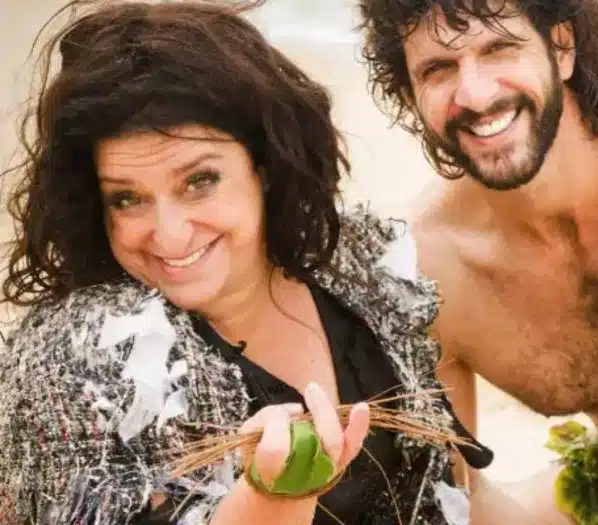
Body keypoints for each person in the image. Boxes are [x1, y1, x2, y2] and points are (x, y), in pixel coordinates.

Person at [0, 1, 497, 524]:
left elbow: (455, 496)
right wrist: (269, 501)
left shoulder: (365, 268)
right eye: (127, 199)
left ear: (265, 164)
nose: (169, 234)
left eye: (200, 181)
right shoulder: (69, 362)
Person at [358, 0, 598, 522]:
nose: (476, 95)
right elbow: (460, 499)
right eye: (438, 69)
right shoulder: (431, 271)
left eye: (500, 49)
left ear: (561, 48)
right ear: (410, 96)